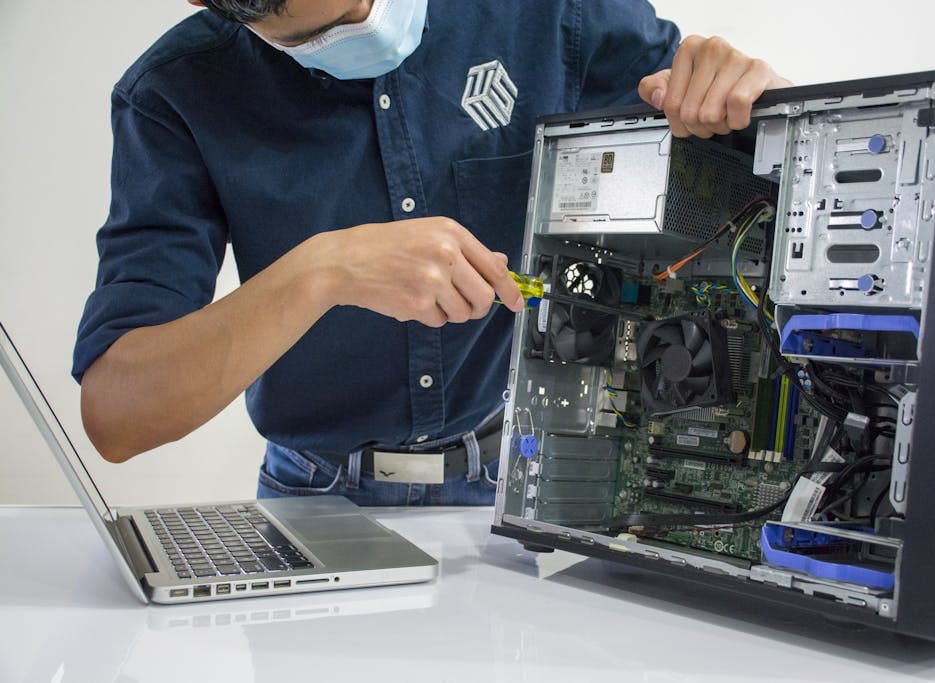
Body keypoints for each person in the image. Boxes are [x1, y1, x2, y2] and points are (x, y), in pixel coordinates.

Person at [73, 0, 789, 505]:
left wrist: (760, 93)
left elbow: (739, 157)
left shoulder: (550, 12)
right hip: (312, 499)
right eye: (326, 28)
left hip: (518, 486)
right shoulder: (172, 93)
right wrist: (324, 271)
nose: (371, 22)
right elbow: (119, 413)